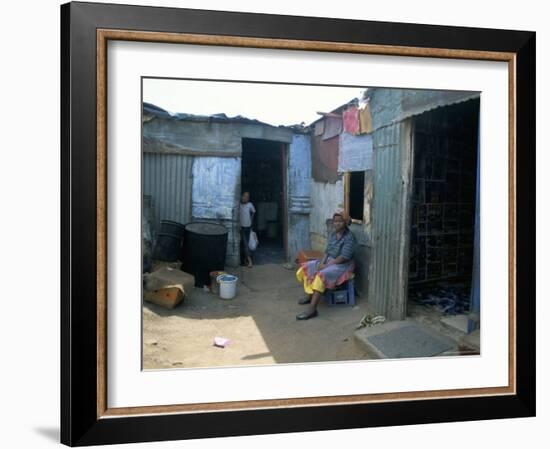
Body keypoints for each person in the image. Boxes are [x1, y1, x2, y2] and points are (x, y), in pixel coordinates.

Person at [295, 209, 356, 320]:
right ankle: (310, 294)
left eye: (340, 221)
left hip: (342, 265)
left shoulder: (349, 238)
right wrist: (322, 263)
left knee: (320, 275)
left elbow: (342, 258)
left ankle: (312, 309)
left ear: (346, 223)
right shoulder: (333, 234)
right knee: (307, 267)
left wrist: (325, 266)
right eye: (335, 221)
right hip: (330, 261)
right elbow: (327, 251)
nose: (336, 223)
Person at [239, 191, 256, 268]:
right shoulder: (239, 205)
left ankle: (248, 261)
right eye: (244, 196)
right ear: (241, 196)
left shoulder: (250, 205)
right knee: (244, 244)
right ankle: (248, 261)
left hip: (248, 227)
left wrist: (251, 221)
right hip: (241, 227)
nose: (245, 198)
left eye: (247, 197)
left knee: (246, 244)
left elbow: (253, 212)